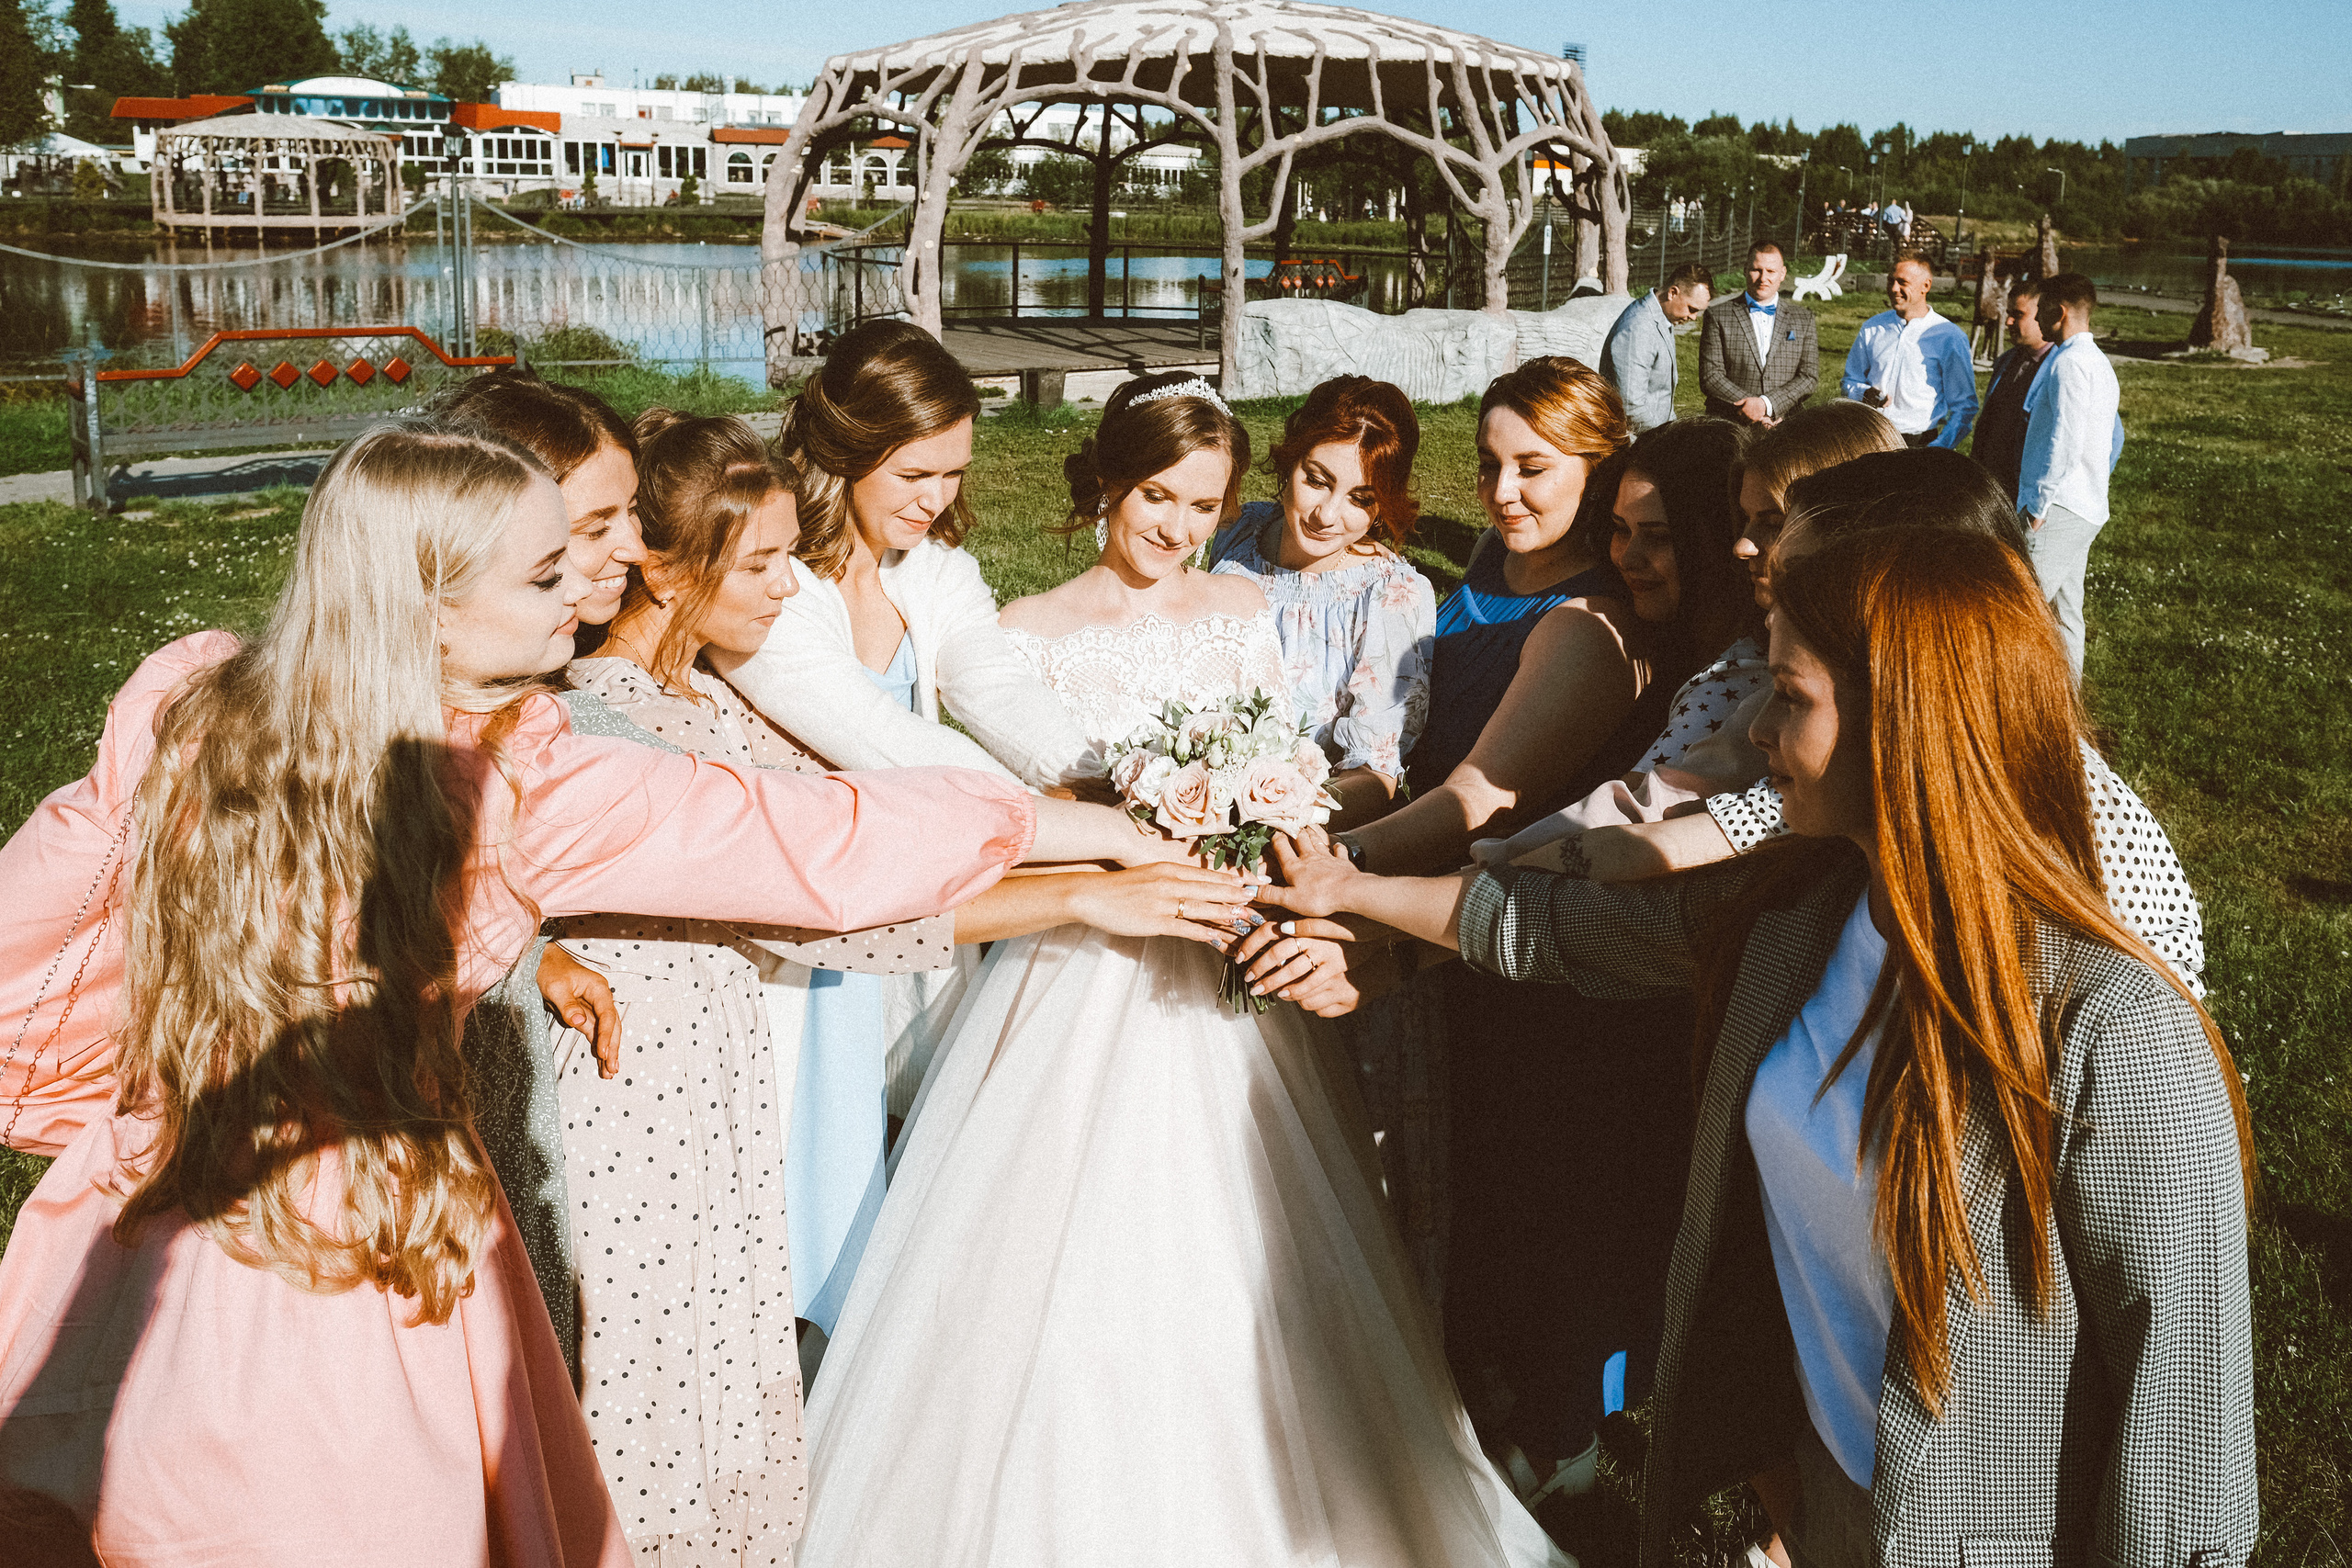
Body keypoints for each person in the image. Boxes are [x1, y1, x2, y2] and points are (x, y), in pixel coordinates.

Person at [0, 420, 1170, 1565]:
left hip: (150, 1207)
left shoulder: (194, 711)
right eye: (549, 571)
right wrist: (1068, 824)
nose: (587, 588)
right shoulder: (516, 781)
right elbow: (812, 840)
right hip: (375, 1254)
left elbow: (34, 928)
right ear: (429, 604)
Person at [1261, 526, 2256, 1568]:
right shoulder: (1809, 911)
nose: (1752, 728)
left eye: (1787, 694)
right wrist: (1353, 893)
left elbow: (2185, 1428)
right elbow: (1558, 931)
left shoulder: (2112, 1028)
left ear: (1903, 720)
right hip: (1825, 1491)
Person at [792, 374, 1569, 1568]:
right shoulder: (1028, 629)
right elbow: (1031, 789)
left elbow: (1289, 763)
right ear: (1107, 478)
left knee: (1248, 1235)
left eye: (1205, 504)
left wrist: (1259, 823)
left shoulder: (1237, 610)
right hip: (1085, 964)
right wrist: (1131, 817)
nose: (1178, 526)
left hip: (1226, 955)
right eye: (1159, 494)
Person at [550, 411, 1255, 1562]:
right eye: (766, 562)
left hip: (726, 1097)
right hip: (635, 1106)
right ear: (662, 568)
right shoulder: (599, 724)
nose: (793, 588)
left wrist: (1092, 874)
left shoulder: (721, 707)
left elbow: (865, 890)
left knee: (745, 1393)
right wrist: (1086, 874)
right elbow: (823, 881)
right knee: (642, 1405)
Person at [711, 320, 1104, 1370]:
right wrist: (1091, 834)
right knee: (804, 1192)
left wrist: (1116, 772)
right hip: (799, 939)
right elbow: (886, 743)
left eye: (953, 473)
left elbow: (998, 685)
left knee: (915, 1162)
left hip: (919, 915)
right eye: (915, 472)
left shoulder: (933, 572)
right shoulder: (769, 589)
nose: (935, 498)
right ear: (845, 451)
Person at [1207, 375, 1434, 831]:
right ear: (1291, 458)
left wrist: (1269, 819)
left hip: (1293, 829)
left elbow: (1374, 773)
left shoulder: (1392, 597)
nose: (1326, 515)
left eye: (1360, 498)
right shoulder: (1241, 530)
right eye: (1316, 480)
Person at [2017, 271, 2122, 673]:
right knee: (2066, 614)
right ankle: (2069, 715)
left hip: (2058, 506)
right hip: (2085, 507)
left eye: (2042, 309)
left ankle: (2011, 705)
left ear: (2059, 312)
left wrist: (2039, 503)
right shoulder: (2098, 362)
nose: (2037, 317)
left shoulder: (2070, 364)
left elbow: (2065, 439)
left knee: (2018, 604)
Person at [1840, 254, 1977, 449]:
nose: (1894, 289)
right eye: (1891, 281)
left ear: (1926, 286)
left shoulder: (1948, 336)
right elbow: (1849, 381)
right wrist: (1863, 393)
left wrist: (1938, 449)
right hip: (1870, 438)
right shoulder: (1873, 327)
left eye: (1903, 282)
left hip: (1918, 443)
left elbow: (1965, 407)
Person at [1699, 243, 1819, 429]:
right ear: (1745, 270)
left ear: (1783, 273)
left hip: (1785, 424)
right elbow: (1711, 376)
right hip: (1730, 424)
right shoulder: (1718, 315)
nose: (1763, 278)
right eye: (1756, 270)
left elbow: (1809, 376)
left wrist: (1768, 404)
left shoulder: (1803, 319)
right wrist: (1752, 409)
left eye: (1771, 271)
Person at [1601, 262, 1713, 432]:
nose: (1694, 317)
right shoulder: (1639, 328)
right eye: (1691, 309)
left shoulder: (1661, 317)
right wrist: (1664, 440)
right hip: (1637, 443)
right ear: (1673, 293)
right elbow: (1631, 407)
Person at [1969, 278, 2050, 499]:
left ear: (2043, 314)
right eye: (2008, 313)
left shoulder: (2062, 368)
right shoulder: (2007, 360)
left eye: (2018, 314)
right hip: (1993, 485)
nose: (2008, 322)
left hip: (2030, 492)